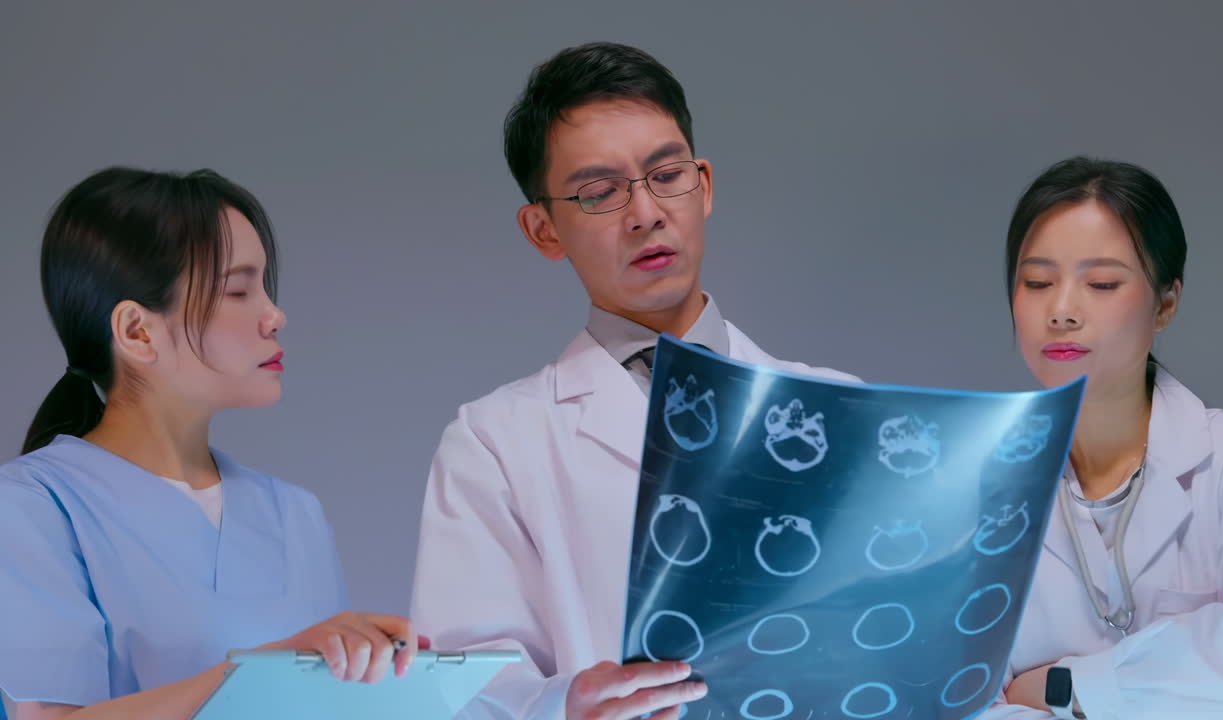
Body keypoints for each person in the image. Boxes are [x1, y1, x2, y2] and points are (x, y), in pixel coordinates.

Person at [409, 41, 860, 720]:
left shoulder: (839, 407)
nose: (645, 212)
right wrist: (566, 705)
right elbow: (458, 691)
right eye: (599, 192)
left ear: (703, 186)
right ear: (543, 230)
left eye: (666, 174)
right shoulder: (495, 443)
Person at [0, 167, 424, 720]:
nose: (274, 315)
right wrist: (261, 672)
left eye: (265, 288)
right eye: (239, 291)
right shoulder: (32, 508)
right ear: (137, 332)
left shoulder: (294, 514)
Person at [984, 156, 1223, 719]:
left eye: (1101, 283)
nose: (1062, 310)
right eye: (1037, 282)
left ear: (1165, 303)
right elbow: (950, 699)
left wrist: (1069, 690)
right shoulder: (971, 491)